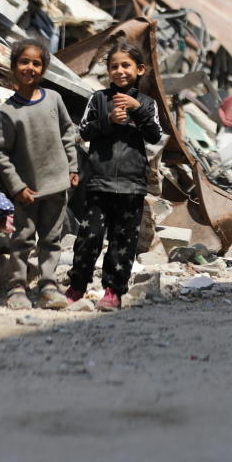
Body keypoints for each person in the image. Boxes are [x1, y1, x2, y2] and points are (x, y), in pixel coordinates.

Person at [66, 39, 163, 311]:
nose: (120, 71)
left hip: (132, 185)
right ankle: (76, 286)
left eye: (126, 65)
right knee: (89, 237)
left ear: (140, 69)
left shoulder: (147, 104)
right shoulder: (98, 99)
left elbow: (155, 136)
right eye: (114, 66)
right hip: (99, 181)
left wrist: (137, 108)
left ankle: (112, 292)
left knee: (123, 242)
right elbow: (83, 132)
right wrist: (108, 121)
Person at [0, 38, 78, 310]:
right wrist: (16, 186)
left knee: (52, 239)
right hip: (27, 191)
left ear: (44, 68)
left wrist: (73, 167)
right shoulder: (8, 111)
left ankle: (48, 283)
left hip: (57, 185)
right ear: (14, 66)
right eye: (24, 61)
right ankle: (17, 286)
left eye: (36, 63)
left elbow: (68, 133)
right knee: (22, 239)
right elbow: (1, 153)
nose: (30, 67)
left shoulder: (54, 99)